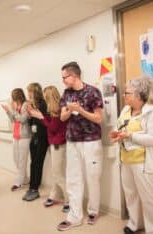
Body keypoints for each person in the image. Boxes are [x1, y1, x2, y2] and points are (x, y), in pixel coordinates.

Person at [109, 76, 153, 234]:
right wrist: (118, 134)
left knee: (150, 200)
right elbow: (122, 128)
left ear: (138, 94)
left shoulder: (152, 112)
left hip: (145, 163)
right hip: (127, 160)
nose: (124, 95)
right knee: (131, 195)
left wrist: (129, 136)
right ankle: (135, 223)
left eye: (127, 92)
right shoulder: (125, 110)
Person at [57, 62, 104, 231]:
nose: (63, 80)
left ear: (74, 76)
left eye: (65, 77)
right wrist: (70, 110)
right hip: (73, 141)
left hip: (91, 141)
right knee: (73, 179)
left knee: (93, 177)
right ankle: (74, 216)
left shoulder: (93, 92)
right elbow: (62, 118)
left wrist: (80, 110)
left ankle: (93, 211)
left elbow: (98, 118)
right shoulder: (66, 94)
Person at [28, 85, 69, 213]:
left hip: (58, 145)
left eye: (46, 98)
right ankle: (54, 195)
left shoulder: (57, 110)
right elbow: (49, 124)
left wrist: (41, 117)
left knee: (58, 174)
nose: (44, 101)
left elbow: (53, 128)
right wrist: (39, 115)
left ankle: (69, 200)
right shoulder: (53, 110)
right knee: (55, 173)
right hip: (54, 144)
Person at [22, 83, 49, 201]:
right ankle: (31, 187)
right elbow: (31, 123)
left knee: (38, 163)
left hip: (42, 137)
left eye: (30, 91)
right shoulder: (31, 104)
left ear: (35, 91)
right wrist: (29, 116)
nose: (28, 93)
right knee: (33, 163)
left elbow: (45, 121)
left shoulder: (43, 103)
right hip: (34, 137)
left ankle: (35, 189)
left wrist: (34, 113)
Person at [2, 88, 31, 191]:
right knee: (16, 159)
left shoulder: (26, 105)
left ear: (17, 96)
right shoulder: (16, 106)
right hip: (16, 135)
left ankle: (18, 182)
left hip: (24, 136)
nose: (12, 99)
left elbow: (23, 119)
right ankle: (26, 179)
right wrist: (8, 112)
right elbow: (13, 120)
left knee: (22, 160)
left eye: (13, 97)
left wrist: (13, 111)